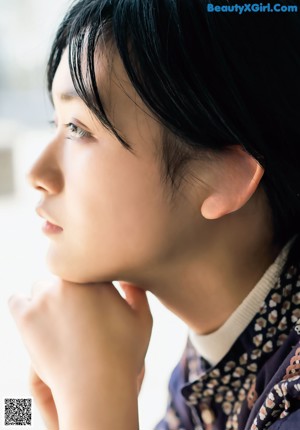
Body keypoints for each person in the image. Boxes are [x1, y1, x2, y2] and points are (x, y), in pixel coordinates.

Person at [8, 0, 300, 429]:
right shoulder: (205, 364)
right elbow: (15, 414)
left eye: (79, 129)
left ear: (223, 176)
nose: (37, 174)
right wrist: (62, 407)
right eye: (57, 122)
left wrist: (95, 398)